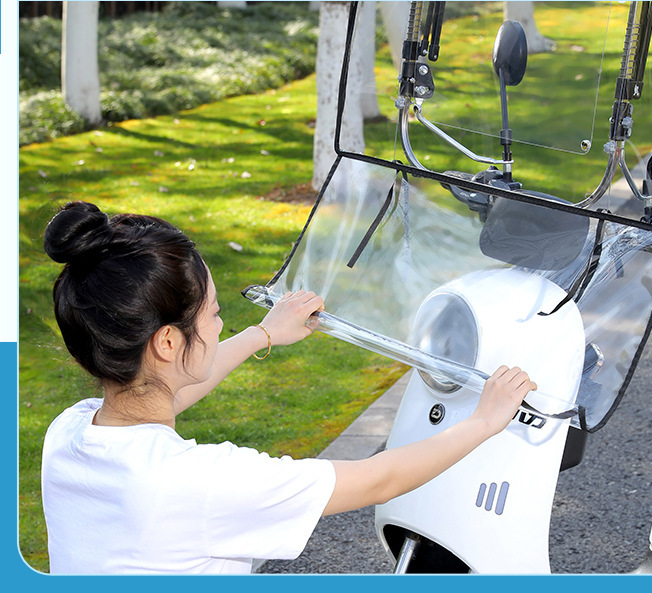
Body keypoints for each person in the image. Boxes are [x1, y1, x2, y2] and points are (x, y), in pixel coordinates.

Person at [40, 201, 538, 574]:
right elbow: (377, 479)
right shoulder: (200, 483)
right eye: (213, 313)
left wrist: (263, 334)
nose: (219, 325)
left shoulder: (69, 433)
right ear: (168, 342)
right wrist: (483, 421)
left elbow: (169, 392)